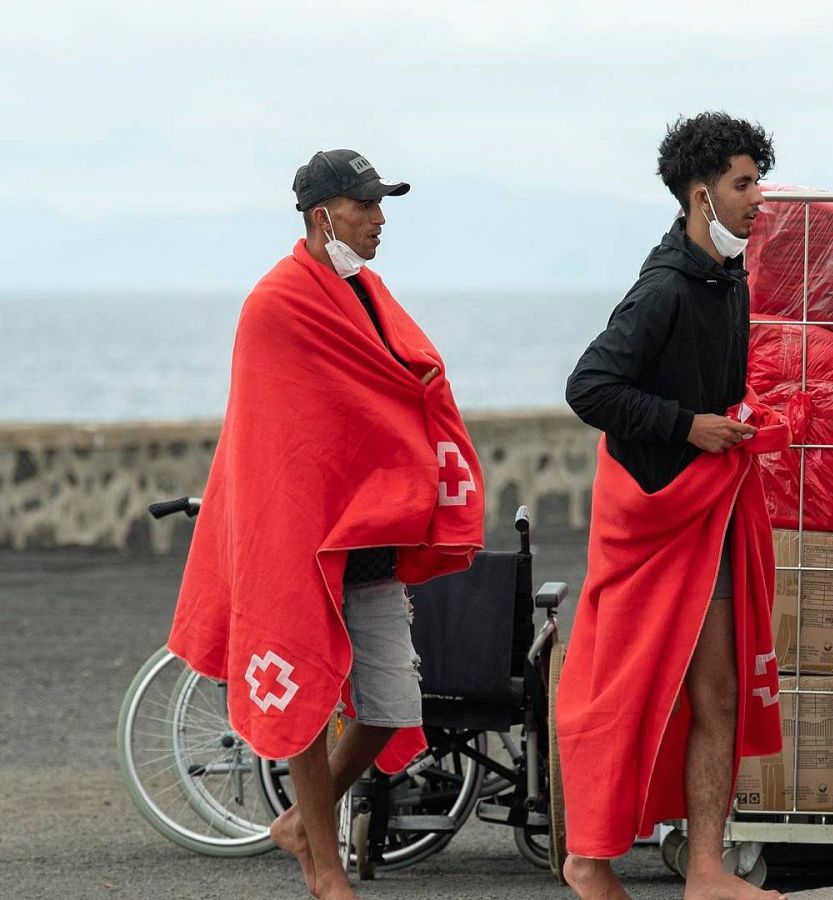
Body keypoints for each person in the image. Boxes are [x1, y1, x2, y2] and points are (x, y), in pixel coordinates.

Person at [167, 150, 485, 900]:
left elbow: (400, 383)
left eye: (381, 204)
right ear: (323, 215)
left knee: (393, 707)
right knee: (306, 691)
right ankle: (326, 870)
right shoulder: (274, 305)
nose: (379, 219)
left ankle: (300, 825)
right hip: (302, 541)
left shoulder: (368, 291)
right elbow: (277, 436)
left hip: (368, 539)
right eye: (365, 205)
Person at [556, 112, 790, 900]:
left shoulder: (729, 278)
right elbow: (589, 388)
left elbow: (713, 388)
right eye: (743, 184)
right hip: (655, 524)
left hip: (706, 517)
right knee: (624, 695)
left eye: (757, 181)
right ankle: (587, 860)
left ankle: (706, 870)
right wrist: (689, 427)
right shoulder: (662, 288)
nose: (758, 198)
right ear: (701, 196)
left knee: (716, 695)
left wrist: (743, 415)